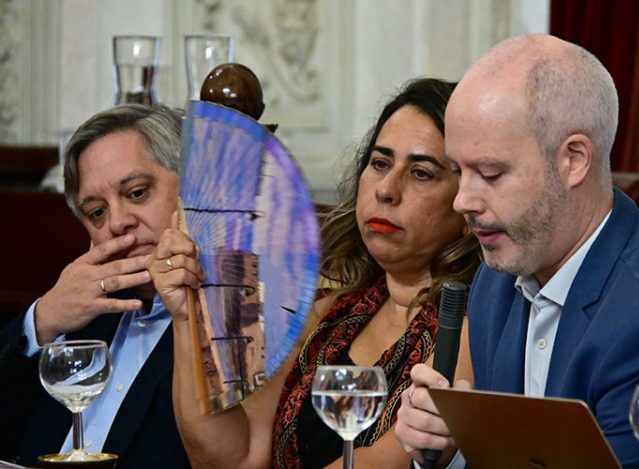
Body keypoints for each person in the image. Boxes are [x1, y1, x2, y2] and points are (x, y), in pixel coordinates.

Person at [395, 34, 639, 468]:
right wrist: (449, 452)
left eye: (489, 173)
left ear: (574, 160)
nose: (461, 200)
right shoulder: (497, 280)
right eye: (457, 171)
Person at [148, 77, 483, 468]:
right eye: (380, 163)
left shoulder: (469, 328)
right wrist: (189, 315)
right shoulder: (326, 314)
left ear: (468, 205)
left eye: (421, 172)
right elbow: (234, 458)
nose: (386, 189)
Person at [0, 104, 190, 468]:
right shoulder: (76, 313)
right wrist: (42, 319)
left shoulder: (229, 318)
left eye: (136, 193)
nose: (117, 223)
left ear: (190, 187)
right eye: (97, 212)